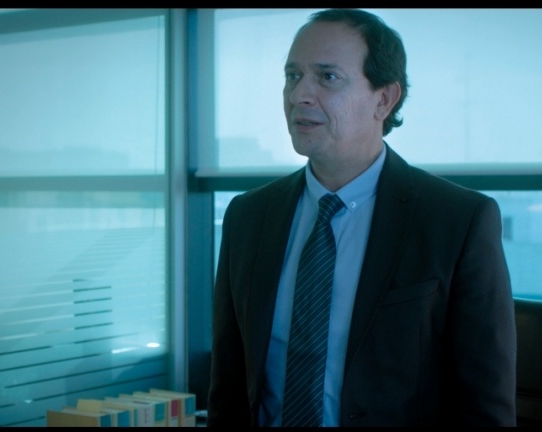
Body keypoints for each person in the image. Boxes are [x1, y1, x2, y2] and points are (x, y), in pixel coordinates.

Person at [207, 8, 516, 427]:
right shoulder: (247, 217)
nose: (299, 95)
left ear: (384, 99)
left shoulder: (458, 221)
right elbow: (228, 385)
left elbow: (484, 404)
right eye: (293, 75)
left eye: (327, 77)